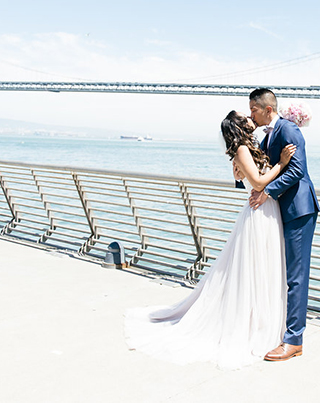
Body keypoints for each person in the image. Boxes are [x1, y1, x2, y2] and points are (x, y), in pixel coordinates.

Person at [124, 111, 296, 370]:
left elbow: (244, 177)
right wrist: (282, 163)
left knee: (263, 268)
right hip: (259, 211)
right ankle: (254, 323)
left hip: (266, 211)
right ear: (238, 125)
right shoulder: (240, 149)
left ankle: (264, 319)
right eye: (244, 115)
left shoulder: (248, 147)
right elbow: (258, 182)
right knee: (254, 269)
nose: (250, 116)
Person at [248, 88, 320, 362]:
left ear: (267, 109)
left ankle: (294, 341)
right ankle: (281, 330)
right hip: (282, 211)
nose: (250, 115)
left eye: (253, 109)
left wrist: (268, 192)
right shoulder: (268, 135)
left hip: (299, 210)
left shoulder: (289, 130)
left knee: (296, 277)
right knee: (282, 274)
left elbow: (298, 169)